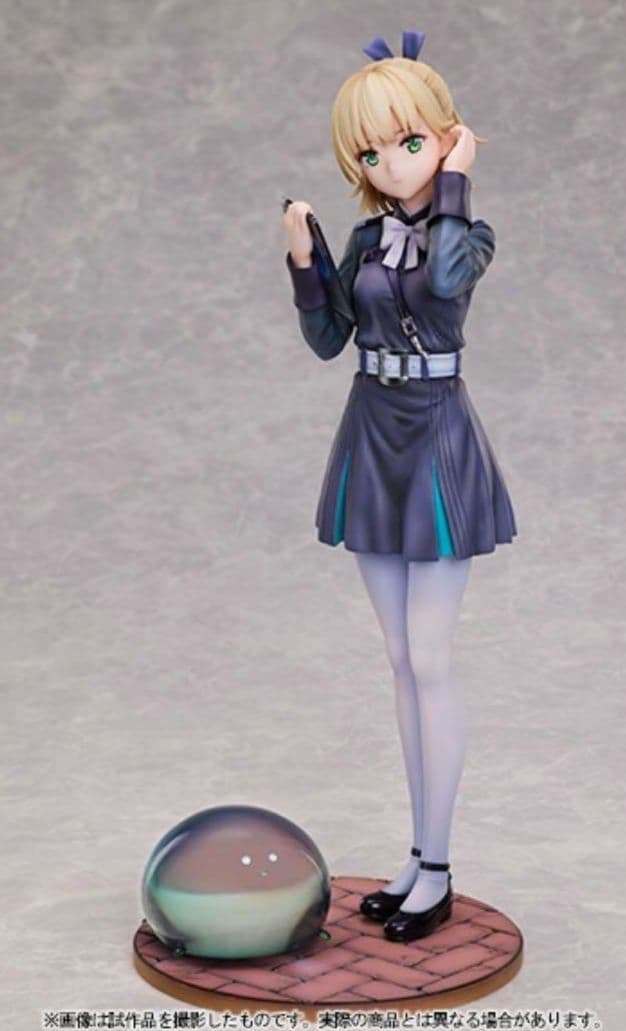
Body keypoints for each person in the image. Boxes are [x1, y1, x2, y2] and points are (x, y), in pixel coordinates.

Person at [283, 30, 516, 943]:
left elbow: (448, 283)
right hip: (372, 433)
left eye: (409, 142)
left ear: (447, 138)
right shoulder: (367, 236)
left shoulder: (468, 232)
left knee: (431, 658)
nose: (388, 164)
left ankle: (441, 866)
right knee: (398, 658)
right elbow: (328, 340)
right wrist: (306, 263)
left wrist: (455, 180)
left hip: (437, 440)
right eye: (371, 152)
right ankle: (418, 859)